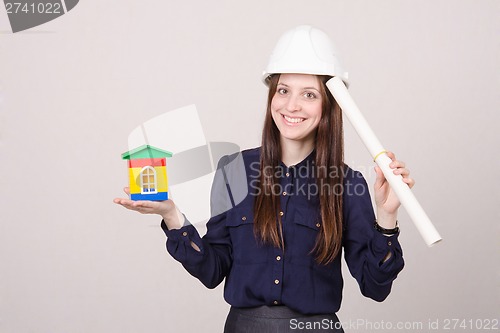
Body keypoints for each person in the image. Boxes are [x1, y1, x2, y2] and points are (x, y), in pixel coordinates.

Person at [114, 25, 414, 332]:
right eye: (283, 90)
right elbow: (213, 270)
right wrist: (172, 216)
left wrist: (387, 216)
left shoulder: (347, 183)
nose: (291, 105)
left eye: (308, 94)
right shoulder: (233, 170)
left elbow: (375, 287)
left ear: (328, 106)